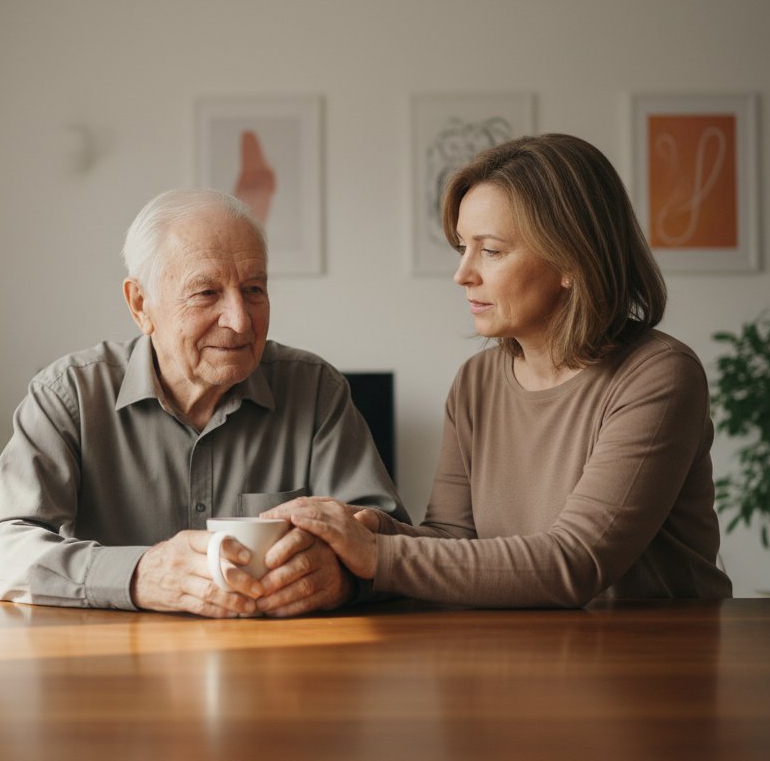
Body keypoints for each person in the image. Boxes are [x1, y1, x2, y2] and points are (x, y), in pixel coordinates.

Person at [267, 133, 732, 607]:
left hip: (660, 664)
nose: (463, 274)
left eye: (489, 251)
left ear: (571, 259)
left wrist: (378, 554)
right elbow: (454, 540)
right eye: (461, 247)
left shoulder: (658, 376)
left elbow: (576, 563)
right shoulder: (477, 381)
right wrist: (366, 527)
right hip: (531, 657)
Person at [0, 188, 406, 617]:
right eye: (206, 293)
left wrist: (343, 579)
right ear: (140, 305)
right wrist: (138, 576)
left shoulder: (316, 390)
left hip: (276, 673)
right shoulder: (70, 395)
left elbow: (393, 544)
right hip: (111, 673)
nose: (239, 320)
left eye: (254, 290)